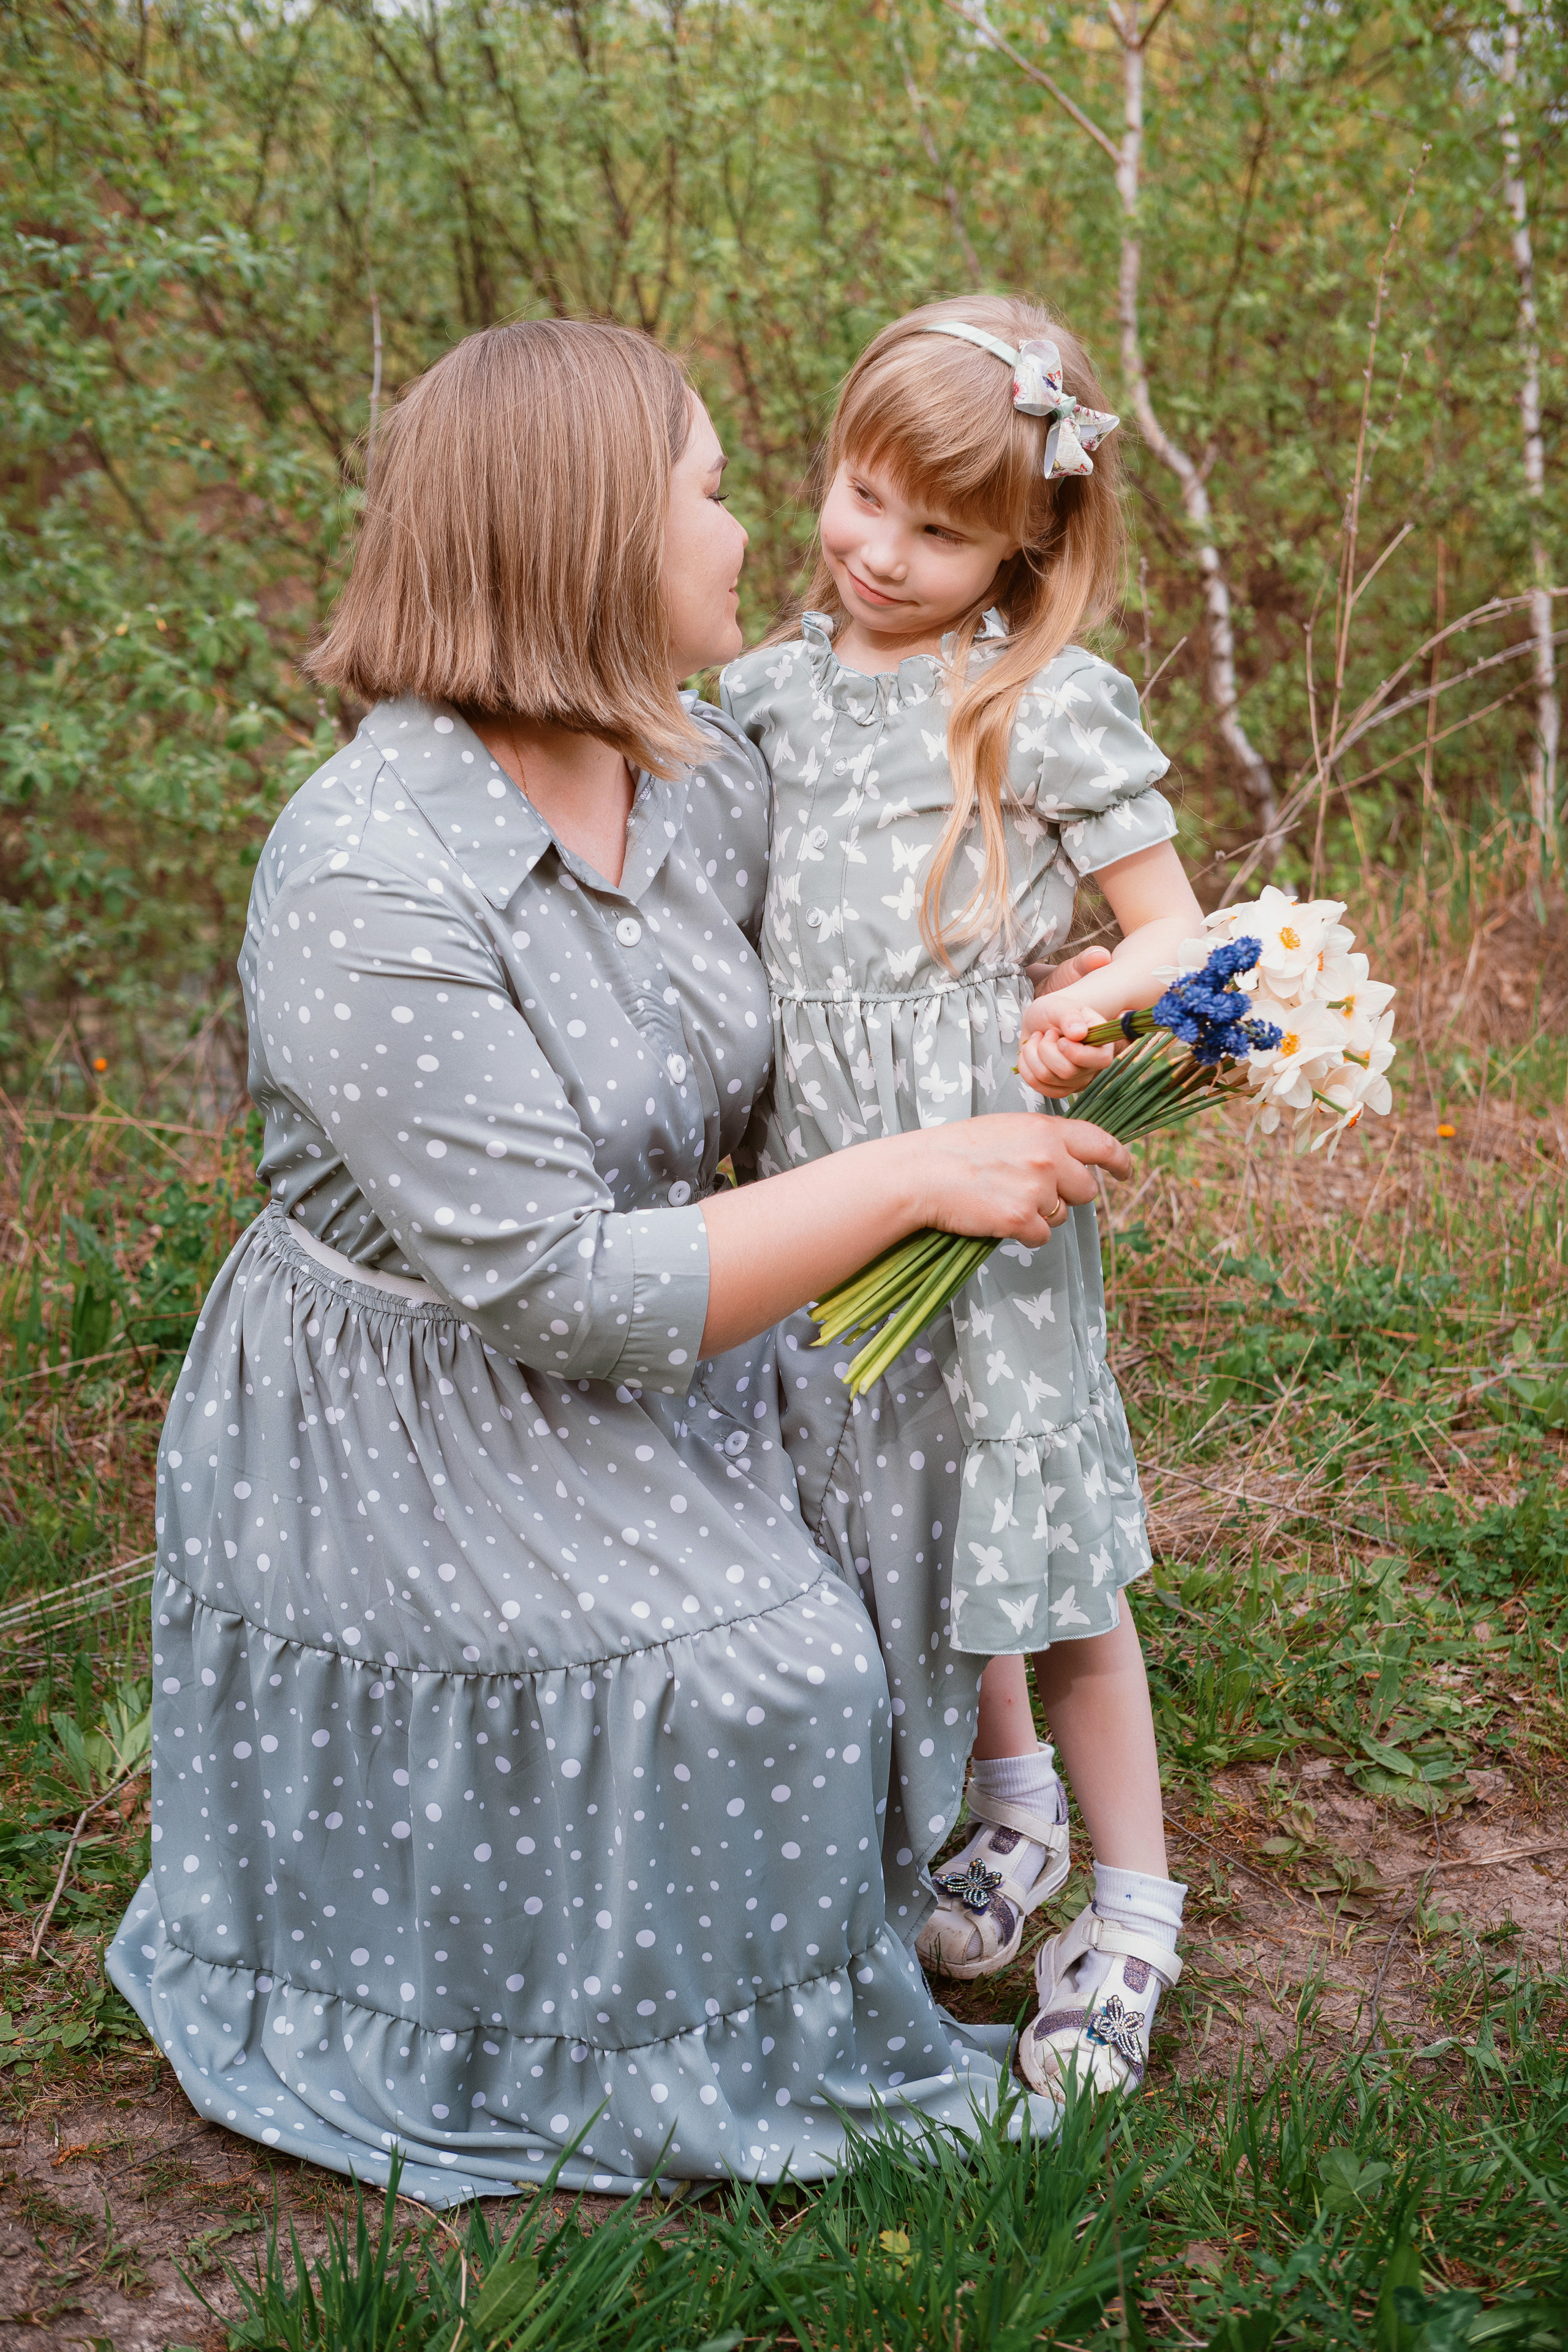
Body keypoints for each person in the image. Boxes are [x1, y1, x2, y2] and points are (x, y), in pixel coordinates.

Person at [107, 317, 1131, 2203]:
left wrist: (1056, 978)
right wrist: (926, 1168)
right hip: (428, 1398)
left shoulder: (696, 769)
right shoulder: (366, 872)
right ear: (587, 538)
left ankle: (894, 1876)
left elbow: (876, 936)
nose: (761, 537)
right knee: (762, 1679)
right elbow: (564, 1290)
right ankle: (581, 2028)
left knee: (891, 1507)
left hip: (684, 1298)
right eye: (715, 490)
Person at [721, 295, 1204, 2097]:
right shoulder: (759, 697)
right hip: (825, 1187)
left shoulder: (1040, 700)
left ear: (1030, 535)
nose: (882, 553)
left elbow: (1179, 932)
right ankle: (1003, 1814)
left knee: (1045, 1546)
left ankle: (1132, 1912)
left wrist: (1078, 1013)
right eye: (861, 499)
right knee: (888, 1517)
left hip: (989, 1195)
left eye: (940, 530)